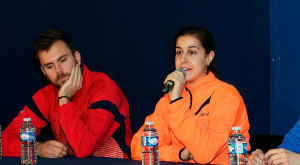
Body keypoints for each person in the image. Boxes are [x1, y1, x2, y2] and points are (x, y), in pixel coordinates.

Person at [2, 29, 132, 159]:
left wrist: (64, 98)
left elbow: (83, 148)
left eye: (63, 60)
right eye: (49, 66)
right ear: (43, 72)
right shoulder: (45, 96)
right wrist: (38, 148)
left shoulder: (105, 88)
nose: (58, 70)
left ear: (77, 58)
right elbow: (5, 141)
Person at [131, 26, 251, 164]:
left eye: (192, 52)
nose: (183, 59)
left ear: (209, 57)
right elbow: (139, 148)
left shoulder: (226, 95)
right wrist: (180, 153)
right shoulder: (169, 98)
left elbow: (205, 153)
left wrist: (176, 101)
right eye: (179, 52)